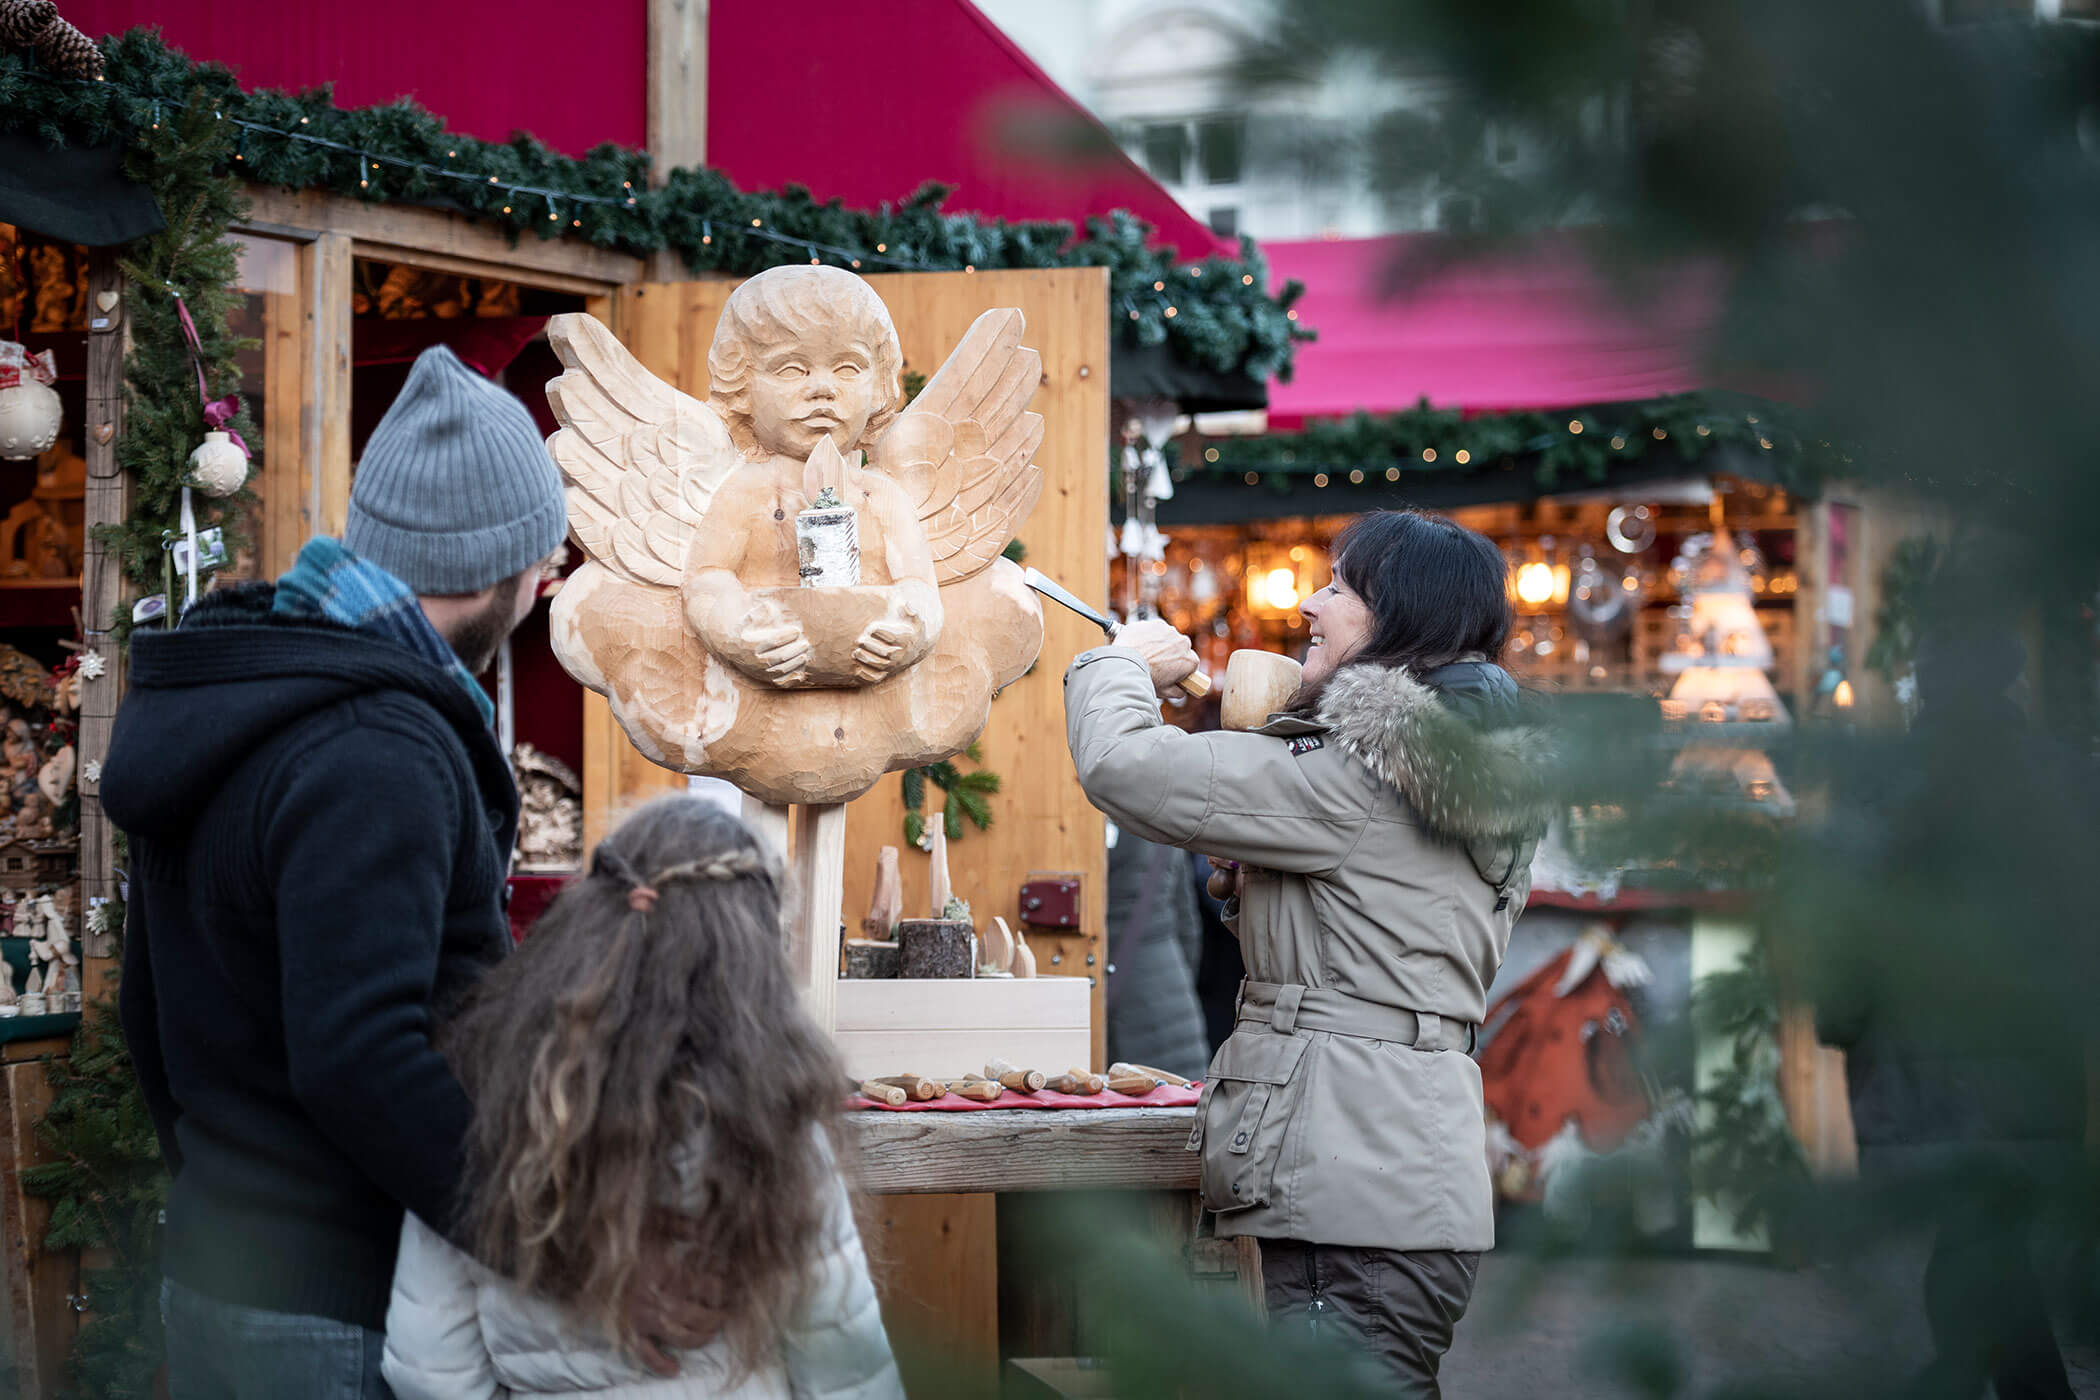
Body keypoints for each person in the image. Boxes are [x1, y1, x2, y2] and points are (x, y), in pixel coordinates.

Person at [105, 345, 570, 1398]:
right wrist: (548, 1240)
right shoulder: (379, 745)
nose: (547, 582)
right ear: (498, 560)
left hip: (227, 1269)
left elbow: (147, 1008)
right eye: (546, 557)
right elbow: (360, 1054)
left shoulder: (257, 689)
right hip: (335, 1303)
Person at [1062, 509, 1554, 1397]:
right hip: (1396, 1176)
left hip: (1350, 1188)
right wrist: (1253, 887)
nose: (1310, 605)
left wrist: (1119, 663)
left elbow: (1125, 768)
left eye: (1337, 586)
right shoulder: (1449, 764)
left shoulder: (1365, 774)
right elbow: (1372, 940)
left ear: (1396, 616)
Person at [381, 795, 903, 1400]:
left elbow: (430, 1371)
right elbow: (849, 1376)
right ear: (754, 955)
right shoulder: (776, 1131)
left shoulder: (479, 1110)